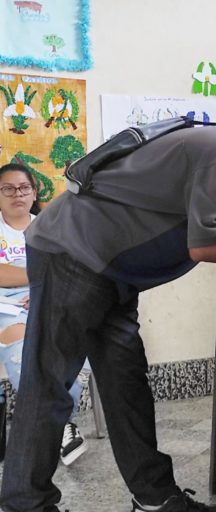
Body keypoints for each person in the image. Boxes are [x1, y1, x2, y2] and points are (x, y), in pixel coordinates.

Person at [0, 95, 216, 512]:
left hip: (111, 271)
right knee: (50, 381)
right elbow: (206, 243)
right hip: (74, 253)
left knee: (127, 384)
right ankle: (25, 504)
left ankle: (154, 499)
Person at [0, 163, 91, 467]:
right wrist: (39, 276)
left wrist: (40, 288)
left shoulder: (48, 226)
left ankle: (55, 426)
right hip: (5, 309)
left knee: (59, 349)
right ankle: (61, 426)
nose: (18, 194)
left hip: (45, 303)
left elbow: (68, 272)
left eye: (24, 187)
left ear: (34, 191)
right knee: (26, 352)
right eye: (8, 188)